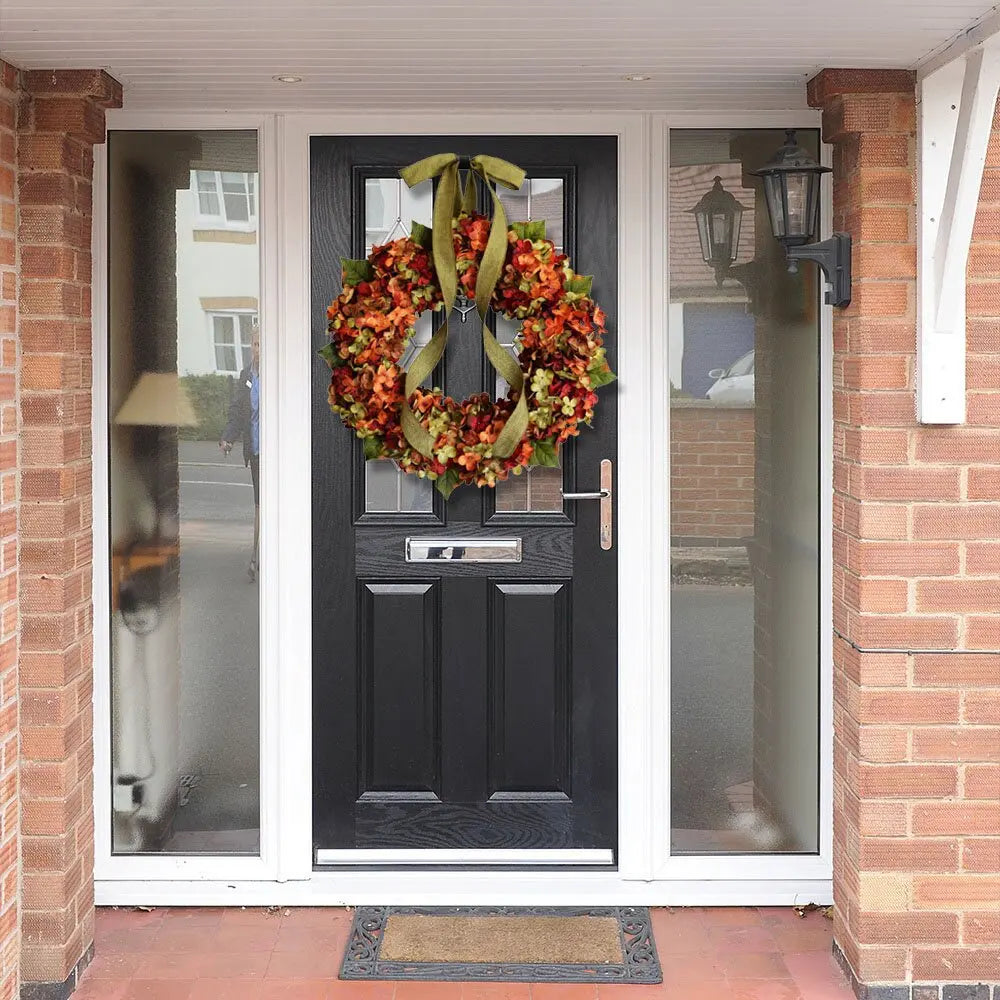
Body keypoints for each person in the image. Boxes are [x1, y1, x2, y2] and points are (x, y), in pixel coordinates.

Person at [220, 327, 261, 581]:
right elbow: (238, 412)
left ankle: (262, 557)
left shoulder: (280, 373)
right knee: (261, 506)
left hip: (280, 453)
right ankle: (257, 558)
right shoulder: (247, 375)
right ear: (251, 347)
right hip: (257, 452)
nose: (259, 349)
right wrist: (228, 437)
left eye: (262, 344)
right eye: (255, 344)